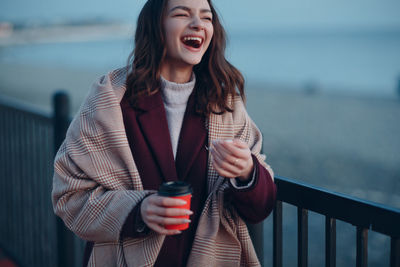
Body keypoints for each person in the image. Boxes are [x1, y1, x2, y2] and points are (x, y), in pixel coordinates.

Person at [52, 0, 277, 266]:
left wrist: (247, 173)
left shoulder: (226, 105)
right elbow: (70, 196)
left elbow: (260, 207)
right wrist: (139, 210)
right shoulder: (108, 100)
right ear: (155, 25)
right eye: (182, 14)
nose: (198, 24)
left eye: (206, 18)